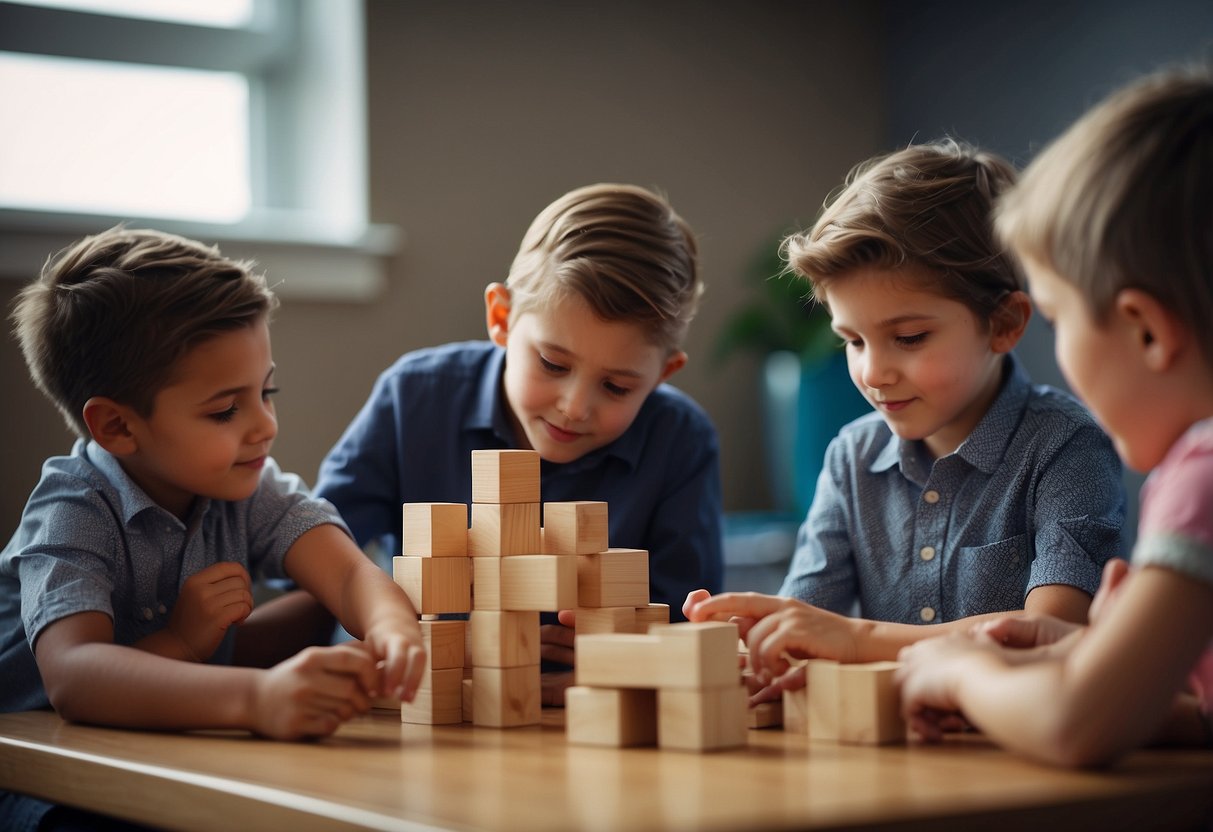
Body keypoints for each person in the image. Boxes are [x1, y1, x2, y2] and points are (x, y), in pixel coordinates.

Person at [0, 227, 427, 831]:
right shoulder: (72, 512)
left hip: (176, 752)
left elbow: (349, 571)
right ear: (118, 427)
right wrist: (254, 695)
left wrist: (392, 628)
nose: (264, 426)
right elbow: (75, 678)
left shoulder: (248, 485)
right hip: (49, 781)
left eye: (266, 391)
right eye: (226, 410)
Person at [685, 139, 1125, 702]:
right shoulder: (851, 459)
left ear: (1004, 324)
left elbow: (1053, 635)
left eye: (909, 338)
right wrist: (761, 639)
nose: (874, 372)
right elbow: (810, 624)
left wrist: (858, 638)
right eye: (851, 340)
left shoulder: (1067, 448)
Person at [896, 67, 1213, 766]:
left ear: (1145, 331)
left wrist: (958, 672)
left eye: (1058, 316)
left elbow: (1075, 727)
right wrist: (1084, 650)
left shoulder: (1203, 482)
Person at [313, 183, 723, 698]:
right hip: (426, 692)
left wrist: (618, 660)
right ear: (501, 318)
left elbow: (690, 621)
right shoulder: (415, 396)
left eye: (616, 386)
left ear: (664, 373)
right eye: (553, 364)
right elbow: (317, 550)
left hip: (588, 706)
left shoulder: (681, 439)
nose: (574, 406)